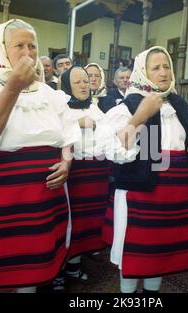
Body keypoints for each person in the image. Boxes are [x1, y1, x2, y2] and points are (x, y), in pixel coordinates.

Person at [0, 19, 80, 293]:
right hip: (2, 193)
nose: (28, 53)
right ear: (1, 49)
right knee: (4, 262)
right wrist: (13, 87)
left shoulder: (50, 94)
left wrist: (67, 162)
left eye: (32, 46)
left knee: (35, 264)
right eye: (19, 45)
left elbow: (68, 137)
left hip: (47, 194)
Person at [95, 46, 188, 293]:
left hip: (176, 193)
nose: (163, 72)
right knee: (135, 254)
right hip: (142, 192)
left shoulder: (182, 107)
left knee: (160, 255)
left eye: (167, 66)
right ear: (142, 72)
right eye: (156, 68)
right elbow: (113, 151)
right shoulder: (127, 107)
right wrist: (139, 117)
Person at [59, 66, 109, 285]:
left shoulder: (96, 108)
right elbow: (55, 133)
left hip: (97, 172)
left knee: (88, 222)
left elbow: (108, 132)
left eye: (86, 81)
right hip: (75, 172)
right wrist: (76, 123)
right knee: (71, 221)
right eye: (77, 81)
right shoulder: (61, 109)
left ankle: (74, 266)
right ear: (67, 85)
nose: (83, 85)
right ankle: (61, 270)